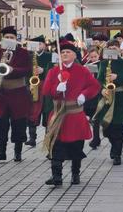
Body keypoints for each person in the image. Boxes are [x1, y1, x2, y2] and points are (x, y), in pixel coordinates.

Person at [43, 40, 101, 186]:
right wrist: (57, 88)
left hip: (75, 115)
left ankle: (75, 174)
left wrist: (84, 95)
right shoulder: (53, 71)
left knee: (76, 146)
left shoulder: (82, 70)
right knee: (55, 145)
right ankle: (57, 176)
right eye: (62, 52)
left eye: (68, 52)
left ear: (75, 55)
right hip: (58, 114)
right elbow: (46, 91)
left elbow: (95, 86)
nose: (64, 54)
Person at [0, 26, 32, 162]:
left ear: (16, 39)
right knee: (1, 122)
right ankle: (1, 151)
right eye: (7, 37)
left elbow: (27, 70)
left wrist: (12, 69)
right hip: (1, 93)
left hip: (18, 92)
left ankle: (17, 152)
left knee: (18, 122)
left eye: (12, 38)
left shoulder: (23, 52)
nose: (9, 40)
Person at [93, 40, 123, 165]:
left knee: (118, 126)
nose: (112, 49)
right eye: (110, 47)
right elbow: (99, 80)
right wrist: (101, 90)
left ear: (119, 49)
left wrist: (118, 78)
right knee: (107, 128)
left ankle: (117, 154)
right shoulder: (103, 63)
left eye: (115, 47)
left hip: (121, 97)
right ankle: (113, 146)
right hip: (106, 97)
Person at [25, 35, 52, 147]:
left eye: (40, 44)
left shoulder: (50, 56)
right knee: (32, 111)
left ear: (44, 45)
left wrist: (44, 70)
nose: (38, 46)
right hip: (33, 86)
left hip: (46, 86)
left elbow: (55, 69)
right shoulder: (29, 56)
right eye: (35, 45)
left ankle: (47, 140)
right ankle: (32, 138)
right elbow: (25, 72)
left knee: (47, 112)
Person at [84, 48, 102, 150]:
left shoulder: (101, 65)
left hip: (97, 94)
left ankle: (96, 139)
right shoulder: (86, 65)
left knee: (96, 118)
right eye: (91, 57)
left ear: (98, 56)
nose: (93, 58)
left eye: (95, 56)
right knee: (88, 116)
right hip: (88, 95)